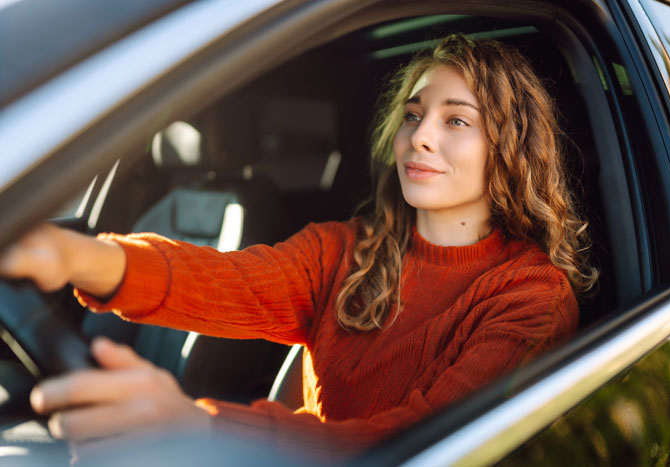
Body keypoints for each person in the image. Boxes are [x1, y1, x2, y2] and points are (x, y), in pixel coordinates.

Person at [0, 35, 597, 458]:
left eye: (456, 121)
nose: (420, 137)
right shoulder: (346, 250)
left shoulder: (531, 295)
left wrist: (201, 428)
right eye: (413, 115)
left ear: (510, 149)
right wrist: (77, 256)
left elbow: (426, 440)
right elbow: (224, 280)